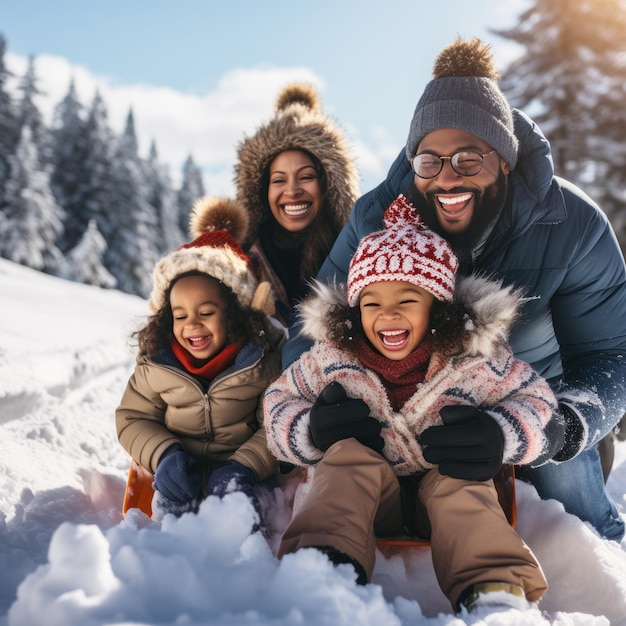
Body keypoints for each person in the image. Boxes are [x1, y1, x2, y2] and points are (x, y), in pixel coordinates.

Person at [282, 37, 626, 542]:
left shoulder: (571, 224)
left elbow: (611, 352)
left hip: (530, 400)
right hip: (408, 405)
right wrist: (322, 411)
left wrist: (563, 427)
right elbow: (309, 331)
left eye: (468, 159)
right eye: (430, 161)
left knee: (576, 513)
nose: (446, 179)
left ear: (504, 159)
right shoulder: (378, 219)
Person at [264, 194, 561, 613]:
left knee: (460, 483)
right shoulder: (331, 359)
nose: (387, 315)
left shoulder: (475, 361)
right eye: (371, 303)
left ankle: (496, 595)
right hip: (368, 500)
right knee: (347, 460)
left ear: (438, 307)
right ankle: (320, 576)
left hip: (444, 489)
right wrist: (306, 430)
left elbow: (538, 402)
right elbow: (278, 399)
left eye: (406, 300)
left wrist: (501, 433)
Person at [116, 197, 284, 521]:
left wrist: (245, 466)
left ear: (235, 313)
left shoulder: (262, 362)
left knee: (243, 523)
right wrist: (163, 455)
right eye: (180, 315)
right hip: (176, 473)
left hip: (243, 475)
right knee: (172, 527)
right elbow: (132, 418)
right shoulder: (157, 363)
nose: (192, 324)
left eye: (206, 312)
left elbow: (274, 426)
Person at [234, 82, 360, 327]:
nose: (292, 191)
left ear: (328, 186)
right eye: (279, 180)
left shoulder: (360, 260)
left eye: (306, 177)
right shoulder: (238, 267)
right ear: (262, 191)